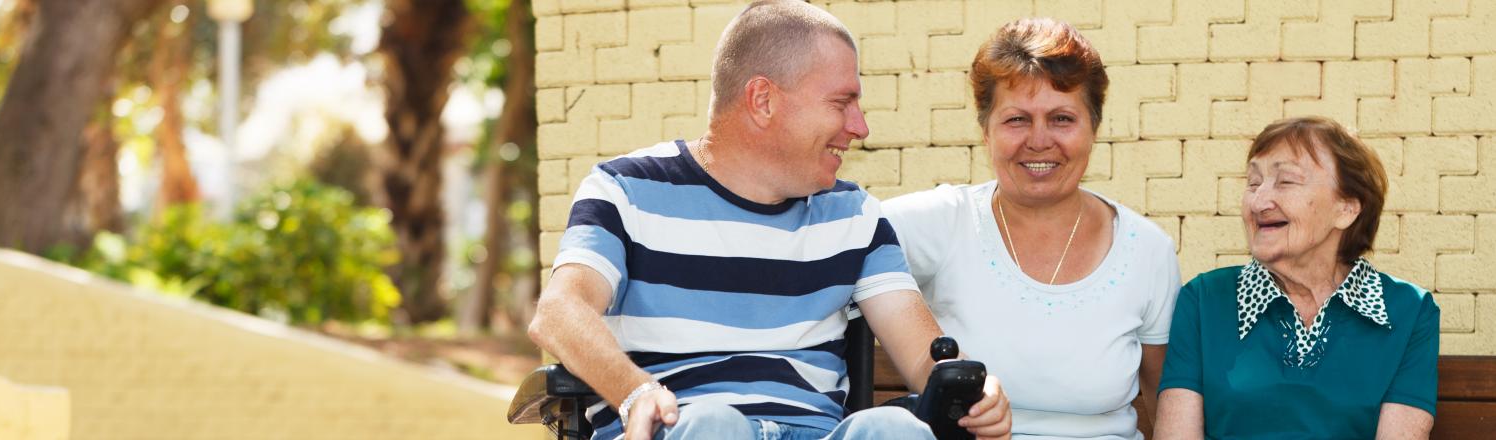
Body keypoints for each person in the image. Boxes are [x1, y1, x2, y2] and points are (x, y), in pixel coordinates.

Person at [526, 2, 1012, 439]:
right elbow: (558, 313)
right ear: (763, 100)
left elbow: (926, 357)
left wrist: (976, 393)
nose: (860, 127)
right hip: (681, 427)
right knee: (712, 425)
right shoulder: (625, 191)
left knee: (891, 428)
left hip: (814, 433)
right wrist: (634, 391)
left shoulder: (853, 214)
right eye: (842, 103)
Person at [882, 17, 1179, 439]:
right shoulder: (944, 222)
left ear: (1094, 128)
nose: (1039, 141)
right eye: (1017, 119)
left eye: (1061, 119)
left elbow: (1166, 401)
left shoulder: (1147, 251)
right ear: (985, 130)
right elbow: (835, 234)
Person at [1154, 116, 1439, 438]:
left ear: (1346, 208)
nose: (1259, 201)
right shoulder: (1205, 300)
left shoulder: (1408, 311)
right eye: (1253, 183)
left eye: (1286, 181)